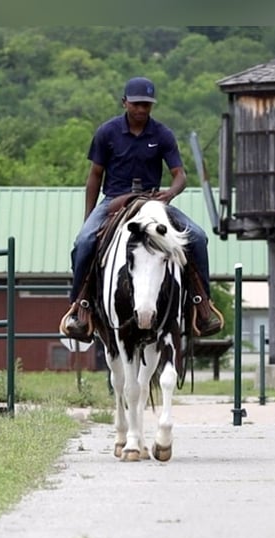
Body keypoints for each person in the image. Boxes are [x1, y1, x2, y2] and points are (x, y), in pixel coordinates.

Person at [60, 76, 224, 341]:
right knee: (84, 241)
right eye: (136, 104)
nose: (140, 110)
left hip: (153, 199)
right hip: (113, 198)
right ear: (125, 103)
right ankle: (80, 307)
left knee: (198, 236)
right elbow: (94, 176)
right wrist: (89, 217)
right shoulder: (107, 132)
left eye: (146, 105)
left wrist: (170, 192)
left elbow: (179, 174)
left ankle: (202, 305)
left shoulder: (162, 134)